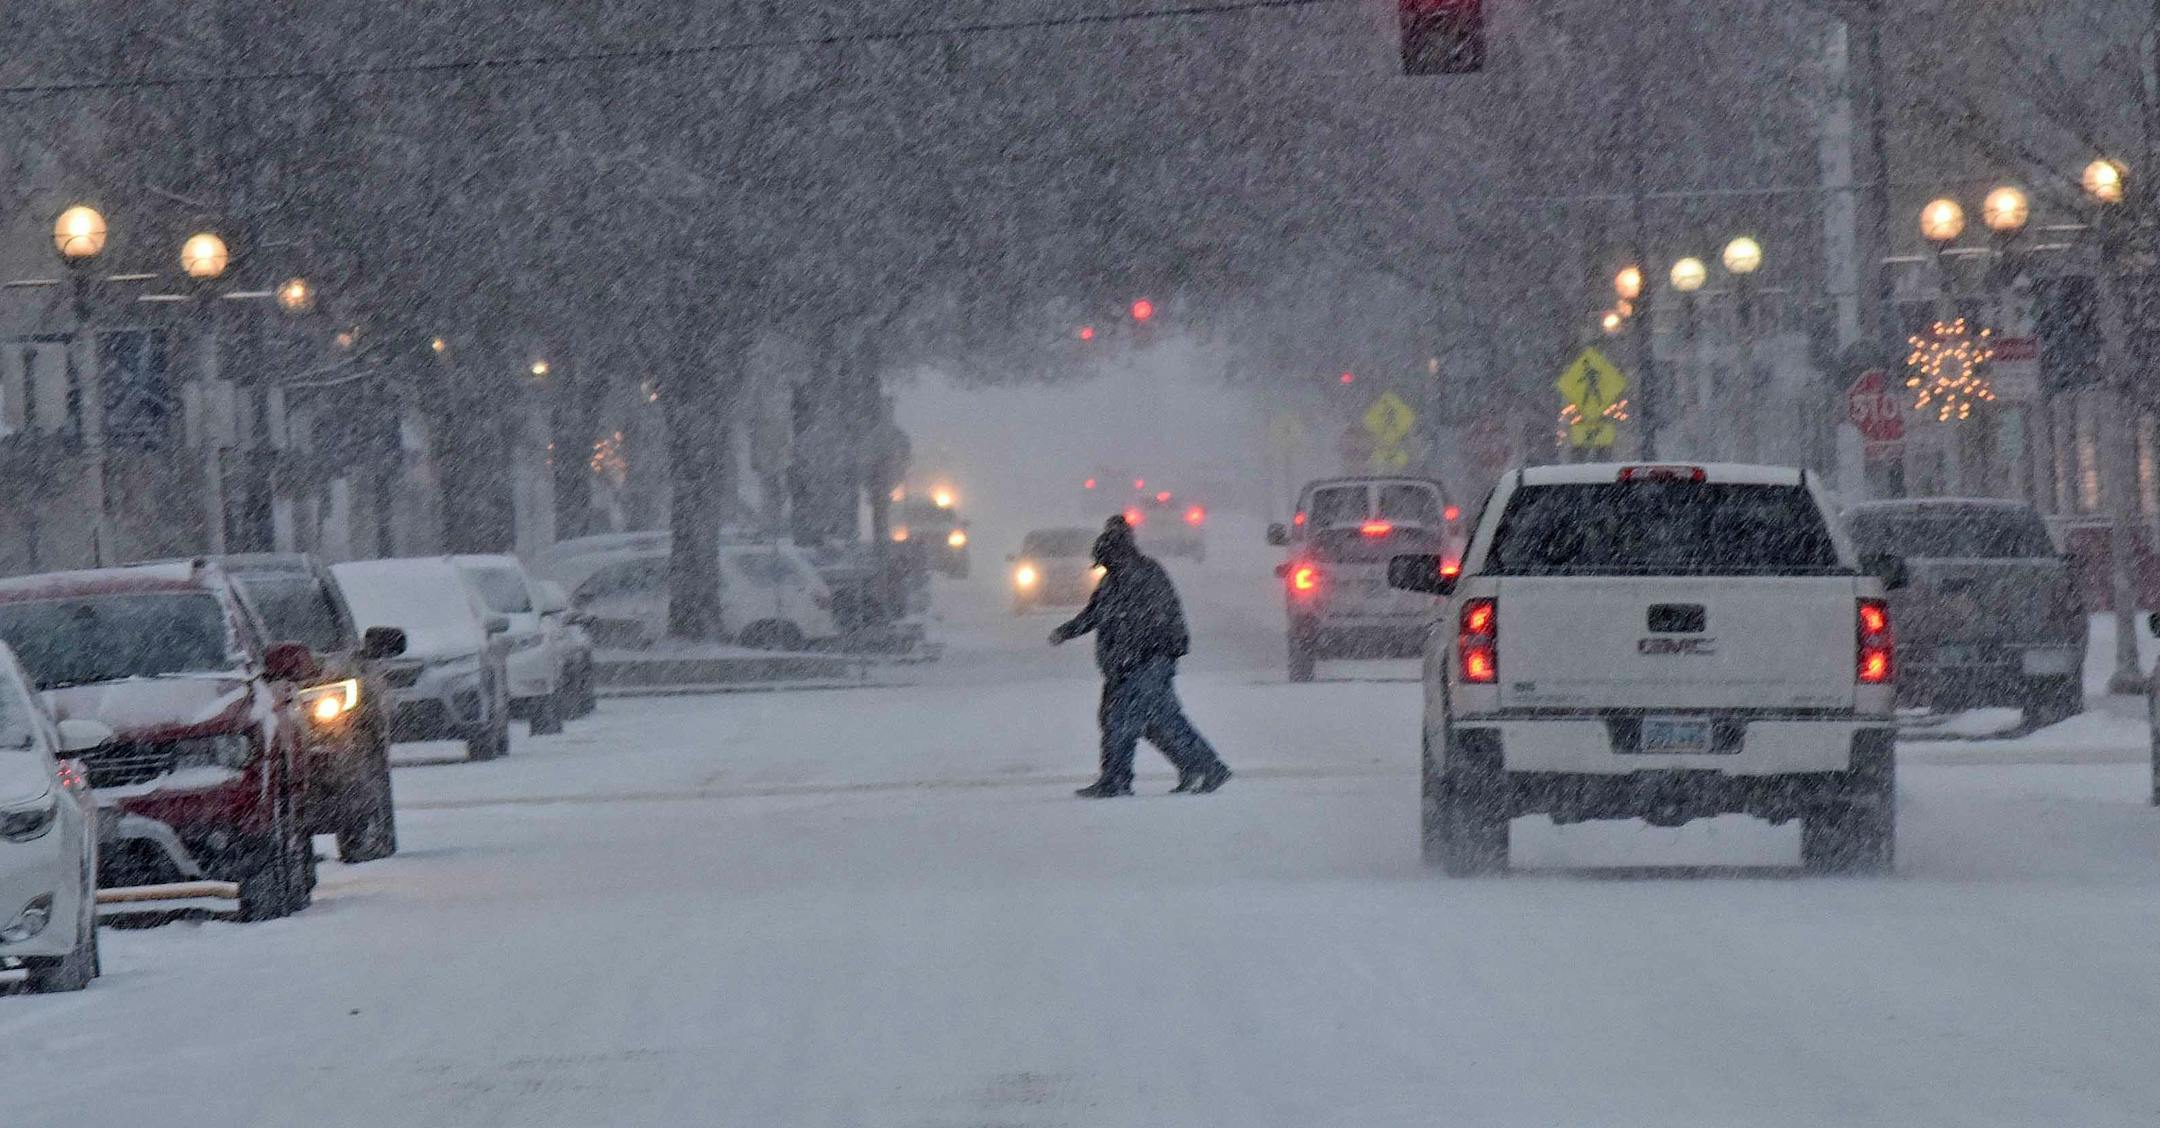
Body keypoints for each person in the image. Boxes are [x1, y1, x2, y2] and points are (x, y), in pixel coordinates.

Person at [1049, 516, 1231, 798]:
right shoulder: (1115, 580)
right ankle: (1198, 767)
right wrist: (1067, 631)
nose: (1104, 568)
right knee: (1154, 722)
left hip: (1146, 663)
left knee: (1123, 720)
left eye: (1106, 562)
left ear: (1116, 555)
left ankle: (1118, 780)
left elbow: (1152, 620)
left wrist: (1139, 655)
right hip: (1131, 665)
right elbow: (1095, 614)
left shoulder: (1142, 575)